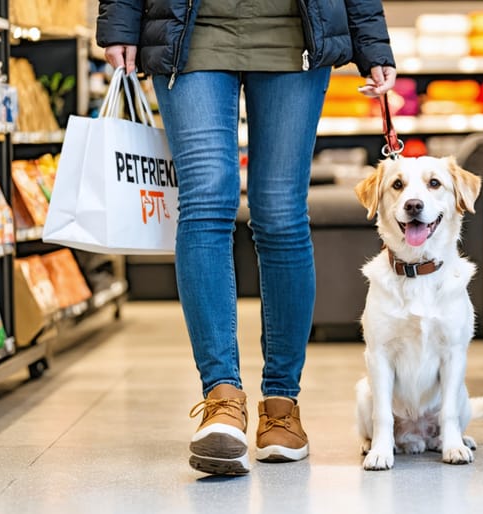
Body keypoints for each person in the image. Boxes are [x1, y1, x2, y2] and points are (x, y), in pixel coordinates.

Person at [96, 0, 396, 475]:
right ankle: (221, 399)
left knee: (280, 215)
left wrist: (372, 41)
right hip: (189, 29)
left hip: (294, 33)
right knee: (205, 202)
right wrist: (119, 20)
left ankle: (281, 404)